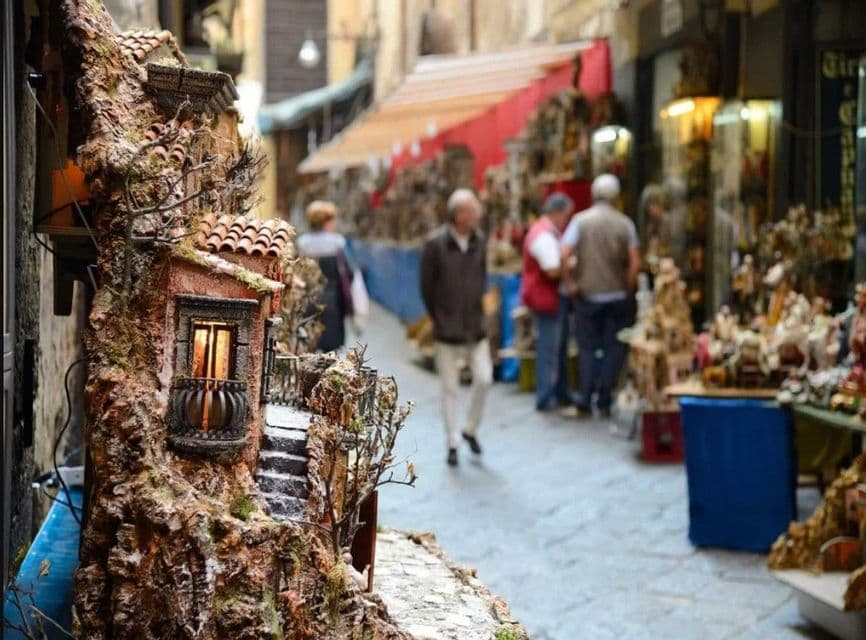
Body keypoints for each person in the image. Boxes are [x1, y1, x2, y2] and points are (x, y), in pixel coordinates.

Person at [420, 189, 492, 467]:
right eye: (473, 210)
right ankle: (452, 440)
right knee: (449, 387)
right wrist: (439, 316)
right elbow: (426, 287)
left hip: (475, 325)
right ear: (459, 215)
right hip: (447, 327)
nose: (478, 215)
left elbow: (482, 276)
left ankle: (470, 428)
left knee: (484, 378)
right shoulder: (435, 245)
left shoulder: (480, 242)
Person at [562, 174, 640, 417]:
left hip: (588, 294)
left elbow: (564, 253)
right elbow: (635, 263)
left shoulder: (579, 221)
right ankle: (605, 398)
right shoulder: (625, 224)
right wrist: (628, 287)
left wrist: (571, 283)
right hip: (616, 295)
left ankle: (585, 399)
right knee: (614, 347)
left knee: (586, 347)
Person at [520, 192, 575, 411]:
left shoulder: (546, 233)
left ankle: (559, 391)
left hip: (548, 299)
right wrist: (568, 265)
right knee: (549, 349)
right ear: (557, 213)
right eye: (566, 216)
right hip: (547, 299)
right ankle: (545, 395)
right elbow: (552, 270)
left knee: (556, 348)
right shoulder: (543, 235)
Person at [297, 200, 353, 353]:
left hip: (310, 299)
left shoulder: (303, 243)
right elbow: (348, 272)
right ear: (326, 221)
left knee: (308, 344)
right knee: (332, 348)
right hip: (333, 300)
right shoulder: (337, 242)